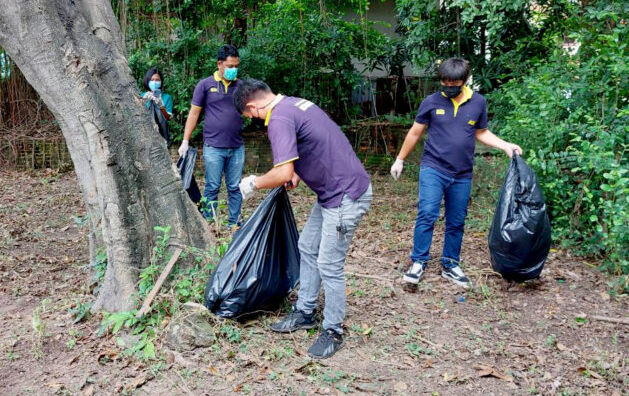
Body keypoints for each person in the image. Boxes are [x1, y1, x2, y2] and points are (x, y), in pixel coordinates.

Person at [233, 79, 372, 360]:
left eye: (249, 116)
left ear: (252, 106)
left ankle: (333, 330)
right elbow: (311, 145)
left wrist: (254, 182)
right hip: (331, 194)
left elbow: (282, 173)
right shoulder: (294, 104)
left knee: (329, 265)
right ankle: (305, 312)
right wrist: (296, 172)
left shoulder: (279, 118)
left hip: (345, 196)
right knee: (307, 247)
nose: (254, 120)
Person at [390, 58, 522, 289]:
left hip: (462, 173)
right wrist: (400, 159)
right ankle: (418, 262)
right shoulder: (431, 102)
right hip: (433, 168)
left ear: (464, 81)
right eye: (445, 82)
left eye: (454, 83)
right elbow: (415, 132)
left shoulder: (478, 102)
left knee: (456, 220)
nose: (449, 87)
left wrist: (505, 145)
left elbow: (481, 132)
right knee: (427, 214)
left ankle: (450, 264)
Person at [177, 45, 244, 227]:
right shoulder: (205, 85)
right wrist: (185, 140)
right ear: (219, 64)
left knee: (235, 187)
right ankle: (210, 224)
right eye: (230, 66)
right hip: (214, 147)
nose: (234, 70)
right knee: (212, 187)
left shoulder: (241, 86)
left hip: (237, 146)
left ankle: (234, 224)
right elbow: (194, 114)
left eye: (236, 66)